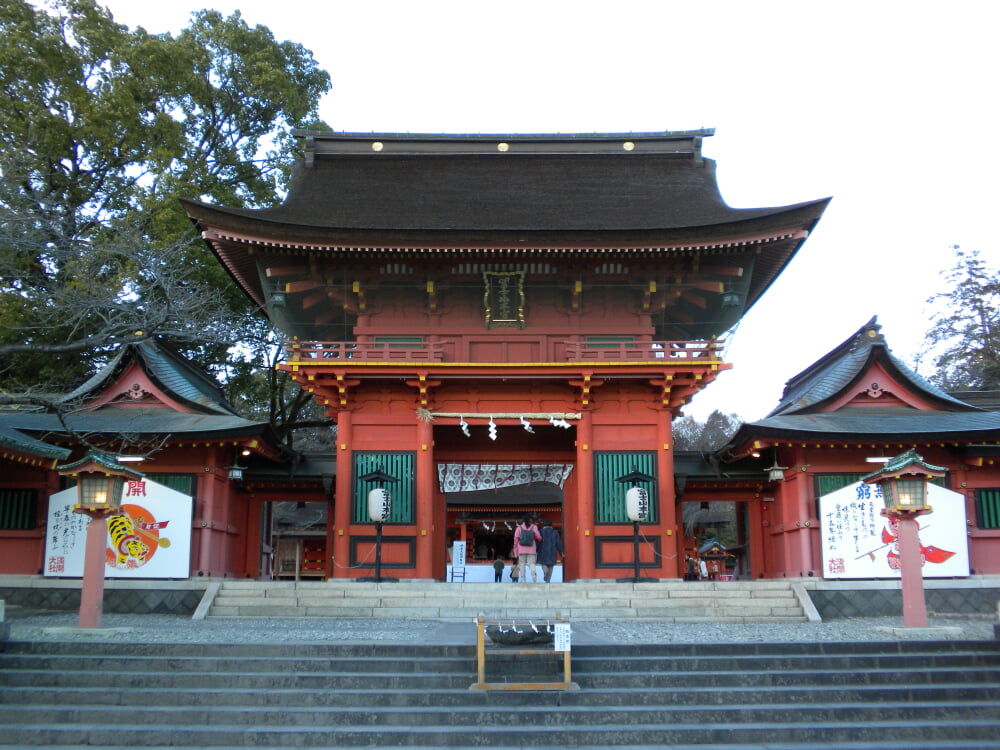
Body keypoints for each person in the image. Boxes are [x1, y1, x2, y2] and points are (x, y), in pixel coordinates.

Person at [512, 515, 541, 583]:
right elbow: (539, 537)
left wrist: (516, 552)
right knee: (531, 563)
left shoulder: (519, 528)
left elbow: (516, 540)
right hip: (531, 549)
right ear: (530, 520)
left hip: (521, 549)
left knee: (521, 564)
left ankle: (523, 579)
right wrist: (537, 539)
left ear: (523, 521)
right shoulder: (534, 527)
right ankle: (533, 573)